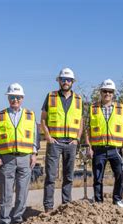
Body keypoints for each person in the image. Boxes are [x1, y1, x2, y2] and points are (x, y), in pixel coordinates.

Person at [0, 83, 38, 224]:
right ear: (8, 98)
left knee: (22, 190)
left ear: (22, 98)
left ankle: (17, 218)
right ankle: (4, 220)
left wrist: (34, 154)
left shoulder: (30, 115)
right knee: (6, 191)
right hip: (6, 159)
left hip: (25, 158)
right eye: (12, 97)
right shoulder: (0, 116)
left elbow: (35, 137)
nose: (15, 100)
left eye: (17, 97)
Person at [40, 68, 83, 213]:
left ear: (72, 82)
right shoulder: (51, 96)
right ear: (59, 80)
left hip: (71, 143)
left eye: (68, 80)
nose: (66, 82)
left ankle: (66, 205)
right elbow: (43, 119)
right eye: (63, 79)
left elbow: (81, 121)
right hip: (55, 143)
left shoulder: (78, 99)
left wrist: (77, 138)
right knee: (51, 176)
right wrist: (48, 137)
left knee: (68, 177)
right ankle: (48, 208)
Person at [85, 79, 123, 205]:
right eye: (105, 91)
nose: (107, 94)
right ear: (101, 92)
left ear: (113, 93)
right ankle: (99, 202)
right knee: (98, 178)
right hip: (98, 149)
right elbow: (87, 130)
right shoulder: (92, 108)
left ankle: (117, 200)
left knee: (120, 176)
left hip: (116, 149)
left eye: (110, 91)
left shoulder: (120, 108)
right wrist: (89, 147)